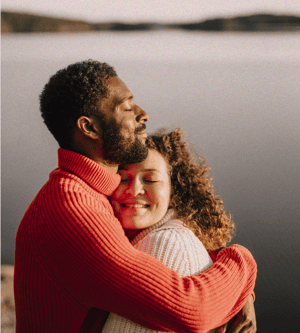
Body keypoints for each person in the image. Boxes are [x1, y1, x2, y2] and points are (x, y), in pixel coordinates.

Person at [14, 60, 257, 333]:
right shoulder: (72, 210)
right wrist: (242, 262)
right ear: (90, 128)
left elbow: (126, 245)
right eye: (128, 108)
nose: (143, 115)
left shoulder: (91, 189)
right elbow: (192, 309)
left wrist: (238, 290)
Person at [103, 128, 256, 332]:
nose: (134, 189)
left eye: (150, 180)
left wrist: (243, 271)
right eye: (122, 178)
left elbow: (197, 309)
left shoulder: (165, 243)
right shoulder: (120, 236)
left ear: (173, 190)